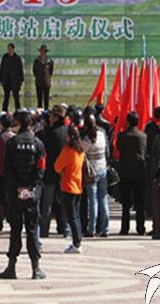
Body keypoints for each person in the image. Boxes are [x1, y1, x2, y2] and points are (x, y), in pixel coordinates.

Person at [0, 109, 46, 280]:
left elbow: (7, 169)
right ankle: (36, 268)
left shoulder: (12, 143)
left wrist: (18, 187)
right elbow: (40, 170)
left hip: (15, 193)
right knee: (32, 229)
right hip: (32, 194)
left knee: (15, 230)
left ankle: (11, 267)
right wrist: (29, 188)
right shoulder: (38, 144)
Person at [54, 121, 85, 253]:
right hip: (78, 184)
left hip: (68, 185)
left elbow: (57, 166)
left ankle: (76, 243)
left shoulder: (67, 150)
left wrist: (63, 172)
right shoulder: (80, 150)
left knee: (72, 217)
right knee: (76, 216)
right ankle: (78, 240)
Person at [38, 105, 68, 239]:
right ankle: (64, 228)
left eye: (51, 115)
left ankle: (44, 229)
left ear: (56, 117)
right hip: (64, 171)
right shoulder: (67, 131)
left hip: (50, 171)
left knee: (47, 203)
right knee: (63, 202)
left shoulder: (49, 133)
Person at [116, 111, 147, 235]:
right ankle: (140, 227)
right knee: (140, 203)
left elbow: (118, 148)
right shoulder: (143, 136)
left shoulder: (122, 136)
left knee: (126, 203)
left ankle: (125, 228)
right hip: (139, 172)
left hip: (125, 173)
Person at [81, 111, 109, 238]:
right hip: (103, 168)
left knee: (92, 201)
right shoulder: (102, 135)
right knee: (103, 199)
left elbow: (81, 152)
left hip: (91, 171)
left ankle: (91, 228)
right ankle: (105, 228)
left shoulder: (87, 139)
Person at [0, 43, 24, 112]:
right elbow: (1, 68)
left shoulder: (17, 58)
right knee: (6, 97)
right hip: (6, 81)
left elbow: (20, 69)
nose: (9, 50)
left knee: (16, 98)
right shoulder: (5, 57)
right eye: (8, 48)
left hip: (15, 81)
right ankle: (4, 111)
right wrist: (0, 79)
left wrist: (21, 80)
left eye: (10, 48)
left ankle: (18, 111)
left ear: (13, 49)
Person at [32, 45, 54, 111]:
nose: (42, 52)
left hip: (46, 83)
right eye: (41, 51)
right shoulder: (37, 60)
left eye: (44, 51)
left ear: (46, 52)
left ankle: (46, 111)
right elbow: (34, 71)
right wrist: (38, 77)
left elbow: (51, 71)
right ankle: (39, 112)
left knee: (46, 99)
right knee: (39, 99)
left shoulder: (49, 61)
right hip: (39, 82)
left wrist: (47, 77)